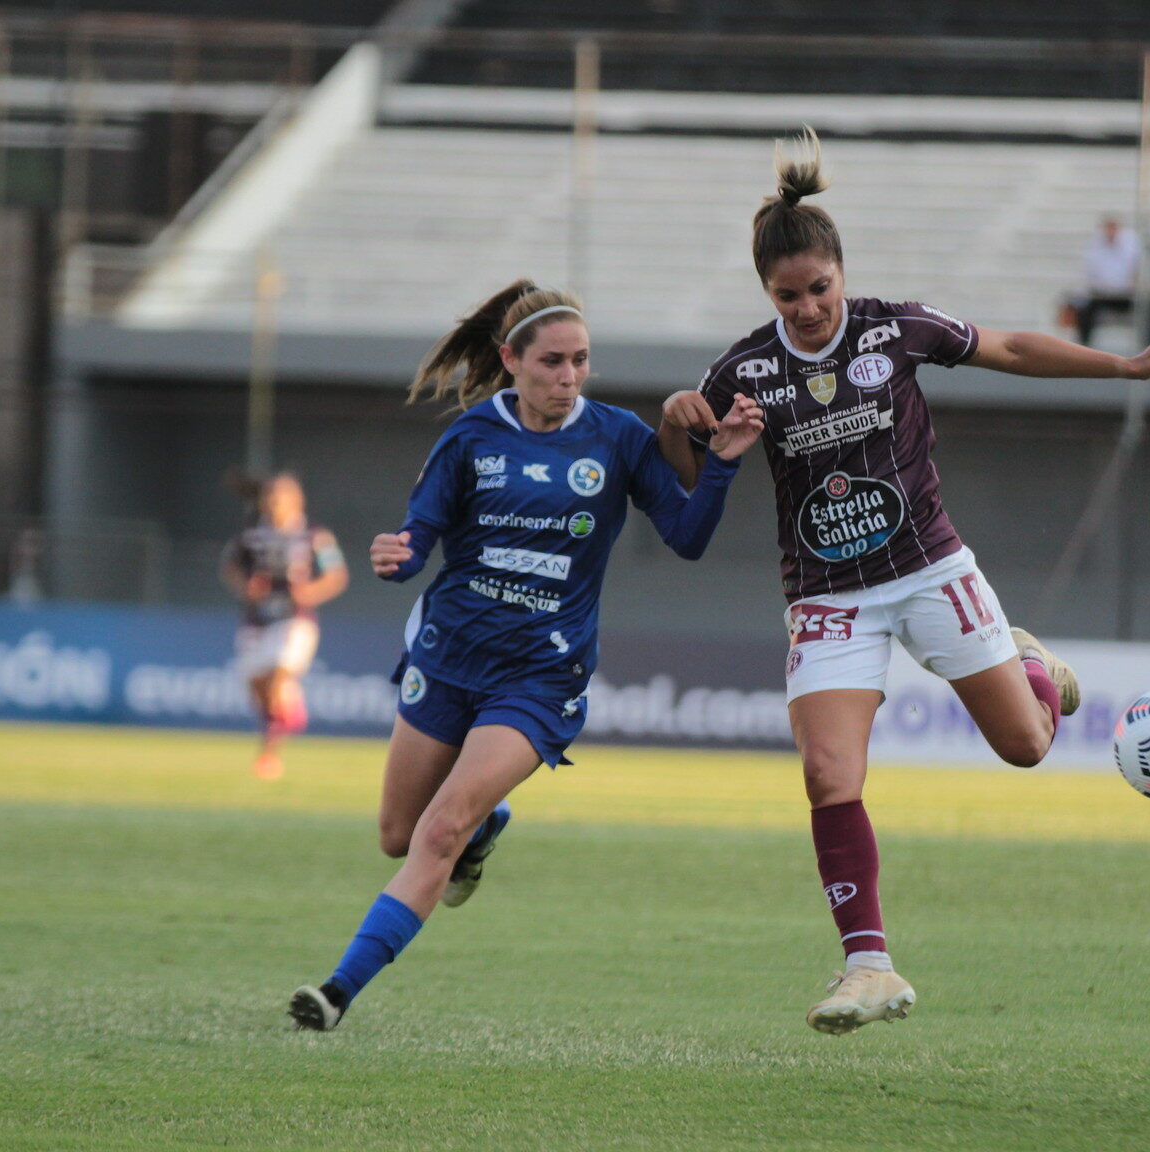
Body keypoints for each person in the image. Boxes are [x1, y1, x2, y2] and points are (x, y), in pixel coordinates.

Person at [658, 129, 1150, 1036]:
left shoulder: (893, 328)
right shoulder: (745, 369)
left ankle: (1025, 661)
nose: (809, 309)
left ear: (841, 272)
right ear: (768, 294)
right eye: (788, 297)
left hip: (928, 569)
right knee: (829, 772)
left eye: (819, 289)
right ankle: (868, 966)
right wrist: (683, 427)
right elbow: (687, 478)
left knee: (1026, 745)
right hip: (827, 597)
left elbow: (1015, 349)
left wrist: (1127, 365)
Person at [287, 281, 764, 1032]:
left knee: (437, 830)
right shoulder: (473, 437)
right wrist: (398, 554)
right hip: (447, 656)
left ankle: (335, 994)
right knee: (398, 836)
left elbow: (688, 535)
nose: (568, 376)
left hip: (542, 675)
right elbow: (420, 536)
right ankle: (485, 828)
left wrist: (726, 462)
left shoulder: (616, 438)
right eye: (551, 361)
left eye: (580, 361)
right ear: (511, 359)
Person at [221, 474, 349, 781]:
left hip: (295, 619)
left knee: (279, 677)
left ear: (297, 500)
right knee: (259, 690)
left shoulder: (315, 535)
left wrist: (311, 591)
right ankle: (286, 715)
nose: (274, 502)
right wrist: (246, 587)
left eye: (281, 496)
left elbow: (336, 575)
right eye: (271, 496)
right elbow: (229, 567)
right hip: (256, 620)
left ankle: (268, 754)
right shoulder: (250, 534)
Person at [1072, 216, 1140, 345]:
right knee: (1084, 309)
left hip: (1127, 295)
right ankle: (1084, 346)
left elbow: (1136, 270)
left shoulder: (1131, 245)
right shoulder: (1096, 247)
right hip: (1102, 295)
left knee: (1147, 308)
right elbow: (1090, 274)